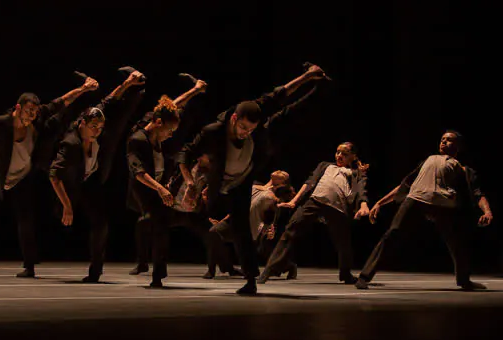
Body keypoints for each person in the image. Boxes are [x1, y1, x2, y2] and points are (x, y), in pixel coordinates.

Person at [179, 63, 328, 294]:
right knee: (202, 219)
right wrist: (190, 183)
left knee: (241, 230)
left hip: (242, 180)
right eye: (243, 128)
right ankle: (219, 266)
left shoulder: (255, 112)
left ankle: (250, 280)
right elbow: (185, 153)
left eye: (250, 130)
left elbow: (280, 93)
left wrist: (307, 76)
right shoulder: (214, 130)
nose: (245, 133)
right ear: (234, 118)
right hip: (220, 181)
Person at [0, 75, 98, 277]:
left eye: (34, 112)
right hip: (7, 177)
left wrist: (84, 89)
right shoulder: (0, 124)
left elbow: (62, 101)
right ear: (18, 108)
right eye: (28, 112)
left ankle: (30, 265)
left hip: (28, 173)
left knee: (26, 218)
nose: (31, 116)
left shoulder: (38, 116)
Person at [355, 131, 493, 290]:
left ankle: (464, 280)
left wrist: (487, 212)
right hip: (416, 200)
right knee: (392, 234)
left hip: (444, 205)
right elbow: (404, 186)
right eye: (442, 139)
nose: (444, 142)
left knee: (457, 242)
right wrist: (380, 202)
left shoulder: (463, 169)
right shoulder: (429, 160)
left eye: (449, 140)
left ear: (458, 146)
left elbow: (477, 194)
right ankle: (364, 277)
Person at [49, 68, 145, 282]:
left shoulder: (97, 127)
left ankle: (96, 270)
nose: (97, 131)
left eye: (100, 128)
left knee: (101, 223)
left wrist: (129, 83)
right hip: (70, 185)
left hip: (90, 181)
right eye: (93, 127)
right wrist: (66, 205)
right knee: (62, 218)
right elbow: (54, 175)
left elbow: (109, 100)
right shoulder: (70, 144)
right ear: (82, 123)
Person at [126, 78, 207, 287]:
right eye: (169, 131)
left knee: (160, 225)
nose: (170, 136)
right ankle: (154, 272)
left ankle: (156, 273)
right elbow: (139, 173)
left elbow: (173, 105)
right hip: (144, 189)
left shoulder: (158, 120)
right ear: (158, 123)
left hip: (160, 188)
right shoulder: (138, 139)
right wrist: (161, 189)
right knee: (157, 222)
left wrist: (195, 91)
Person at [258, 142, 370, 284]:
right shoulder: (325, 165)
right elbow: (309, 183)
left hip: (337, 207)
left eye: (345, 154)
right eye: (337, 152)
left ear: (353, 157)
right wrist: (294, 202)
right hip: (315, 201)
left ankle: (346, 273)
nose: (339, 156)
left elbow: (361, 189)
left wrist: (363, 204)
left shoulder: (356, 172)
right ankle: (269, 270)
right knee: (290, 231)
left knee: (343, 242)